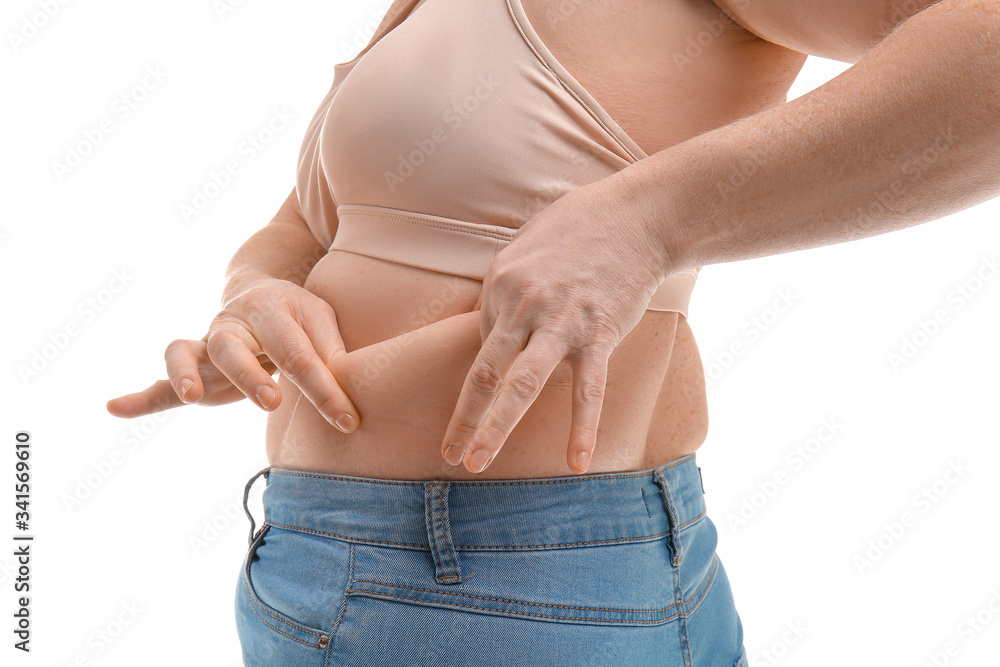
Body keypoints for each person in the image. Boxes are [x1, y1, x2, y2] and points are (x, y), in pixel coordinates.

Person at [106, 0, 1000, 664]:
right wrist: (254, 290)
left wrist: (651, 220)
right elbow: (314, 221)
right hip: (379, 567)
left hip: (483, 585)